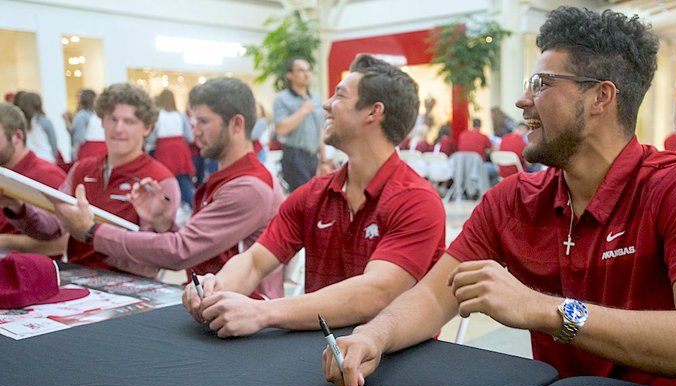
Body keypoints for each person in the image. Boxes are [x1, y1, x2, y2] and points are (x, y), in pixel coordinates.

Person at [324, 7, 676, 386]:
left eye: (542, 84)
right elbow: (434, 297)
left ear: (601, 97)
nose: (522, 100)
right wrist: (372, 336)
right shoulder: (514, 200)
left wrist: (548, 310)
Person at [182, 55, 446, 338]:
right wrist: (215, 289)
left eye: (339, 95)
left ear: (373, 112)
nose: (326, 104)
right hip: (317, 349)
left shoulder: (417, 201)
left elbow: (375, 293)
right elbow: (256, 261)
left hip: (397, 357)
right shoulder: (314, 194)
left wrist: (265, 312)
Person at [51, 78, 286, 297]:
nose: (194, 131)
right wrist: (162, 221)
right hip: (216, 305)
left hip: (241, 313)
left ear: (236, 124)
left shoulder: (248, 187)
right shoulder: (230, 178)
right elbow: (191, 246)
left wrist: (92, 232)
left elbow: (180, 251)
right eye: (112, 119)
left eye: (203, 121)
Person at [1, 83, 181, 276]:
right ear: (102, 122)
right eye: (112, 119)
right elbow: (53, 229)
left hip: (132, 284)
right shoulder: (82, 169)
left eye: (129, 122)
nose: (118, 129)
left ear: (147, 128)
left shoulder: (161, 180)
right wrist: (19, 209)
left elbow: (156, 257)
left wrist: (91, 232)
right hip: (79, 277)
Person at [0, 103, 67, 256]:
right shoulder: (6, 172)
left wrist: (5, 241)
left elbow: (63, 242)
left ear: (17, 137)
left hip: (29, 270)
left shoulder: (47, 175)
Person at [273, 57, 327, 191]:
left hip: (313, 156)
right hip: (294, 155)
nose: (306, 74)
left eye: (308, 70)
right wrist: (303, 111)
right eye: (301, 70)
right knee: (301, 199)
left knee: (315, 196)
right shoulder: (282, 99)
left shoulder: (315, 98)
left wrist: (324, 159)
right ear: (290, 75)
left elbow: (321, 129)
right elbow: (280, 129)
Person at [150, 89, 195, 210]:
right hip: (180, 149)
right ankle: (193, 207)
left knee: (165, 179)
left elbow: (152, 136)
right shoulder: (180, 115)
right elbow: (190, 136)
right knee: (184, 180)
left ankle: (169, 208)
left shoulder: (158, 116)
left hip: (164, 149)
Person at [13, 91, 60, 164]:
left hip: (27, 160)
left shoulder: (18, 122)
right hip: (46, 159)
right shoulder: (44, 120)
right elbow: (53, 142)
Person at [64, 89, 106, 161]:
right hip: (102, 149)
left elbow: (80, 138)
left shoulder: (82, 115)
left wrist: (67, 122)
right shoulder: (99, 114)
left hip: (87, 151)